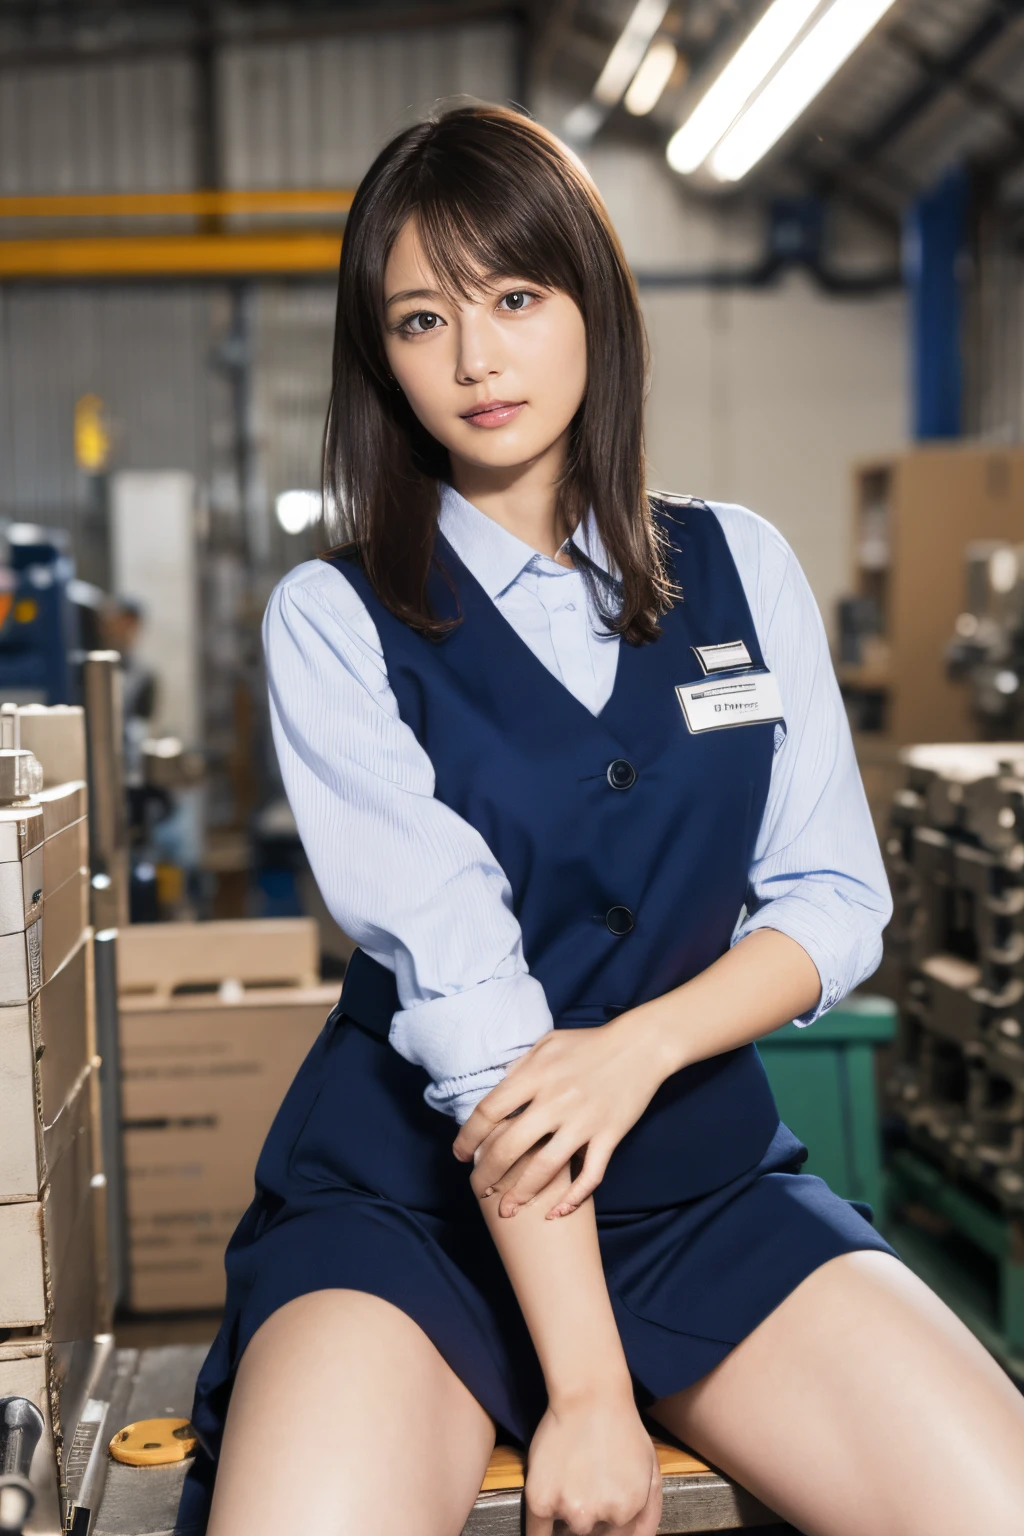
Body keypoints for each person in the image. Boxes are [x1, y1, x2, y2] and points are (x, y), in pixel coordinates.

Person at [180, 106, 1024, 1536]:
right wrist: (585, 1391)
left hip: (699, 1186)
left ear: (594, 303)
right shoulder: (335, 621)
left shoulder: (739, 567)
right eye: (421, 316)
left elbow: (832, 900)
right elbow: (471, 1002)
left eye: (515, 297)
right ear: (377, 355)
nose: (475, 358)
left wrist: (639, 1051)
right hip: (419, 1211)